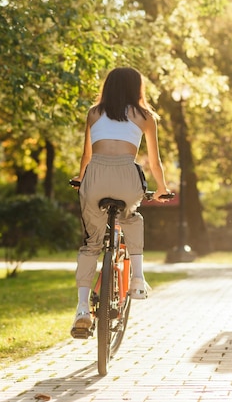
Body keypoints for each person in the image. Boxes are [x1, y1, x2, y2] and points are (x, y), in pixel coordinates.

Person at [70, 67, 171, 334]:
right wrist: (161, 188)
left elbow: (86, 157)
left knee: (91, 242)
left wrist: (82, 181)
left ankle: (82, 308)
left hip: (96, 176)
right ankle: (137, 279)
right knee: (131, 217)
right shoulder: (146, 116)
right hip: (127, 175)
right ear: (137, 88)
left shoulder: (94, 113)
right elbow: (154, 161)